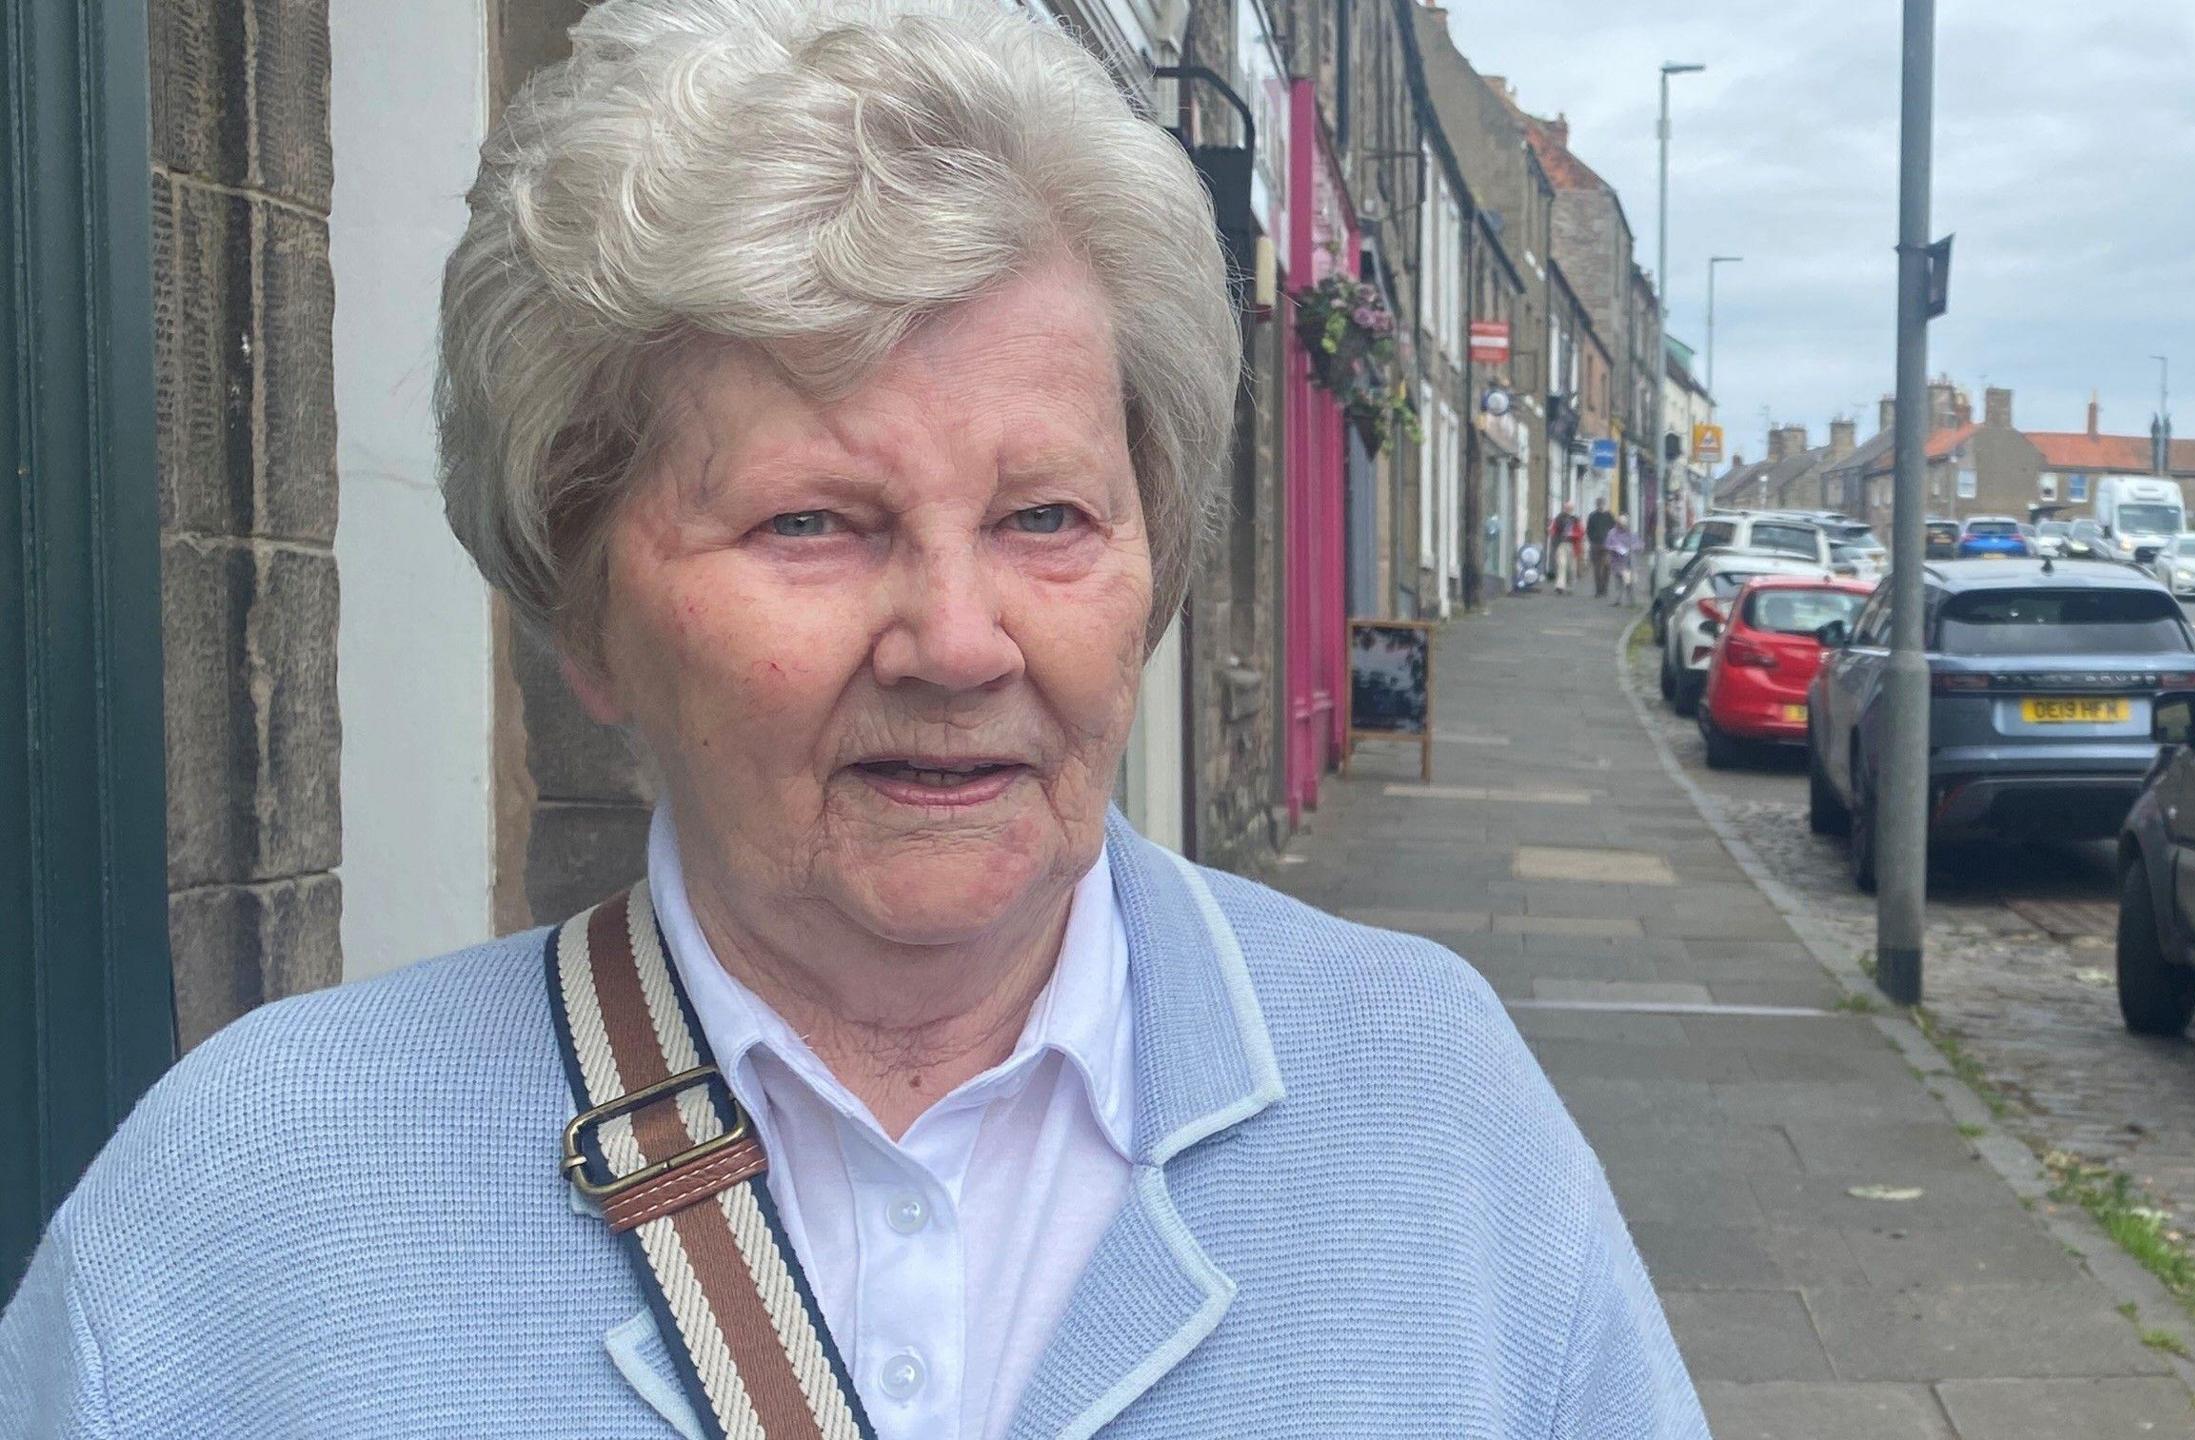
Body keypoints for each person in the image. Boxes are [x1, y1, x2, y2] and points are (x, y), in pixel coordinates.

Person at [0, 4, 1709, 1437]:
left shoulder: (1436, 1109)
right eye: (809, 522)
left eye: (1048, 518)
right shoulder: (243, 1213)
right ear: (582, 610)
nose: (957, 642)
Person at [1605, 518, 1640, 607]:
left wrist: (1632, 548)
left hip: (1628, 562)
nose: (1622, 527)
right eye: (1620, 524)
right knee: (1618, 582)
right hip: (1616, 561)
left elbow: (1639, 545)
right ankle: (1618, 600)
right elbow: (1607, 545)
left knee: (1629, 582)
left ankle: (1631, 601)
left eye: (1624, 525)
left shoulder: (1631, 533)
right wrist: (1614, 548)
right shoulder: (1612, 533)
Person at [1586, 503, 1618, 598]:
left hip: (1606, 545)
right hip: (1597, 544)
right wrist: (1592, 539)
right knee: (1598, 568)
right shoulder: (1593, 516)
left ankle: (1603, 589)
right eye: (1599, 504)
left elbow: (1614, 528)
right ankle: (1599, 590)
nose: (1600, 506)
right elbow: (1589, 530)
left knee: (1605, 567)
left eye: (1601, 504)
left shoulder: (1608, 515)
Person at [1548, 503, 1579, 592]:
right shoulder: (1558, 518)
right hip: (1561, 544)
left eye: (1570, 508)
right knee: (1562, 564)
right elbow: (1553, 529)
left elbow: (1580, 531)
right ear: (1564, 508)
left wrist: (1573, 534)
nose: (1568, 510)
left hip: (1572, 545)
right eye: (1567, 508)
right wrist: (1553, 535)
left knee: (1571, 567)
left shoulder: (1575, 519)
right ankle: (1560, 585)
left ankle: (1571, 585)